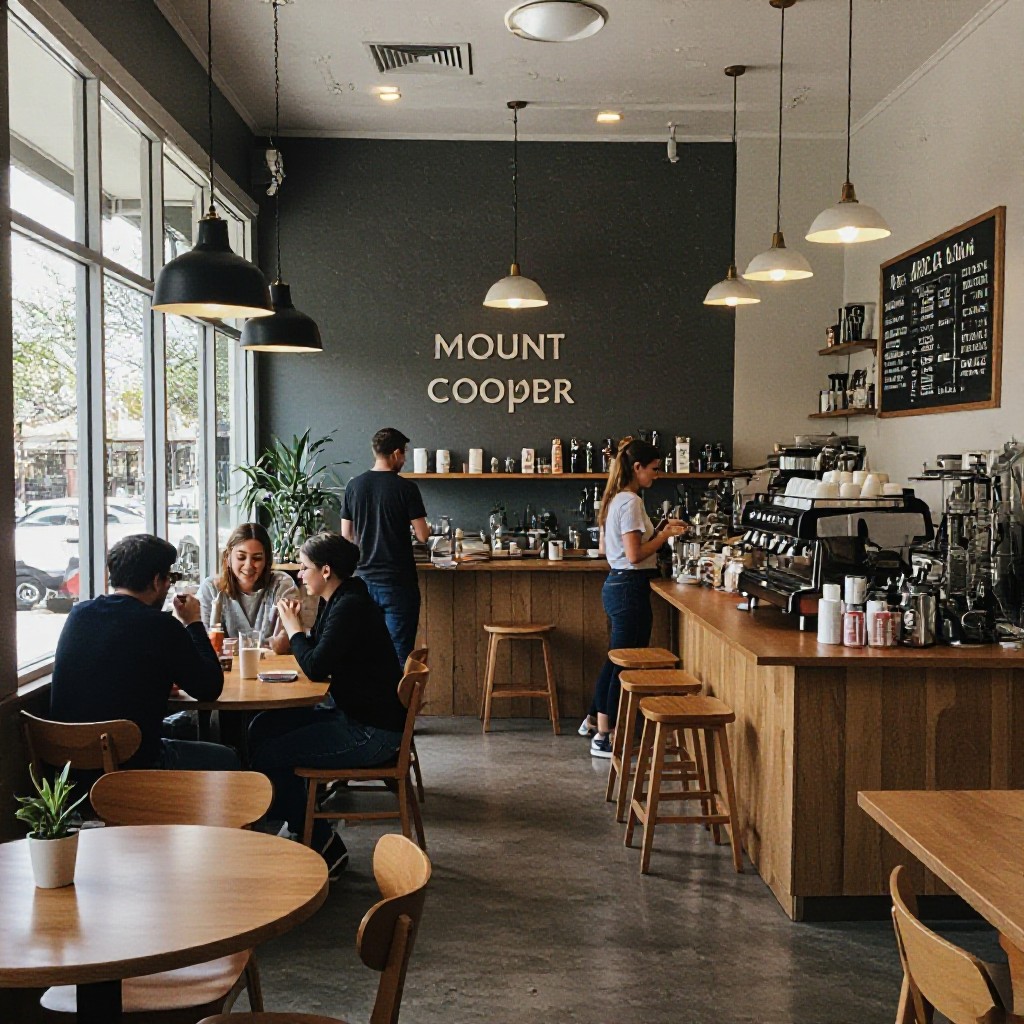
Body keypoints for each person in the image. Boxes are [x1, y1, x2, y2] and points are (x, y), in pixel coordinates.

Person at [248, 533, 407, 877]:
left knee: (270, 754)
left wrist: (294, 630)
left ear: (326, 570)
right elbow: (321, 650)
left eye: (305, 567)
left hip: (371, 732)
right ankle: (299, 820)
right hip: (354, 715)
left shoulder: (350, 605)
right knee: (261, 727)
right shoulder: (339, 599)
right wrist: (298, 636)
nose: (300, 574)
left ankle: (323, 843)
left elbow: (317, 666)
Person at [50, 534, 238, 771]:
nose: (169, 585)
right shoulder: (161, 626)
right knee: (227, 757)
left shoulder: (79, 614)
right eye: (169, 577)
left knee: (179, 727)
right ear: (157, 580)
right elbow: (210, 688)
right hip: (130, 768)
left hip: (66, 768)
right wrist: (193, 622)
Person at [588, 438, 688, 759]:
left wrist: (659, 530)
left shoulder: (618, 498)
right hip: (629, 588)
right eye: (654, 469)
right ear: (637, 467)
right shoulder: (630, 502)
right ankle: (606, 737)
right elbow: (634, 555)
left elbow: (623, 549)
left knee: (616, 660)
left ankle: (598, 724)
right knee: (624, 666)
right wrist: (664, 536)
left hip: (619, 586)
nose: (656, 475)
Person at [341, 427, 429, 665]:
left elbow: (346, 535)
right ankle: (396, 692)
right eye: (404, 454)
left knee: (366, 655)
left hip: (362, 581)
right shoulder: (406, 488)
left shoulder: (353, 486)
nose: (404, 460)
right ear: (396, 453)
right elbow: (422, 535)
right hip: (398, 582)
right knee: (399, 655)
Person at [198, 522, 299, 652]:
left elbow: (292, 637)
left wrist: (285, 639)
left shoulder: (281, 585)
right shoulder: (211, 589)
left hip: (272, 665)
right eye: (241, 557)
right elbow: (203, 642)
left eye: (257, 558)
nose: (248, 566)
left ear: (266, 560)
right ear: (228, 558)